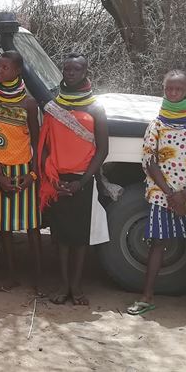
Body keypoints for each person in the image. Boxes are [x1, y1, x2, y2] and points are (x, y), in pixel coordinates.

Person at [126, 70, 186, 321]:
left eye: (179, 89)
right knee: (158, 244)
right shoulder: (157, 124)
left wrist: (185, 193)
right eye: (169, 89)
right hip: (162, 196)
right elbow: (149, 160)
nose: (173, 93)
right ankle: (147, 297)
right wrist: (170, 194)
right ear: (164, 90)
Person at [38, 53, 108, 306]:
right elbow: (44, 145)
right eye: (67, 69)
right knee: (61, 237)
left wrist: (83, 181)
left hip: (83, 180)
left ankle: (77, 287)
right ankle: (63, 284)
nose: (70, 73)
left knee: (80, 239)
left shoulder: (95, 107)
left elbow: (102, 149)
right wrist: (52, 177)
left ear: (85, 72)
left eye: (76, 69)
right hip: (57, 179)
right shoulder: (55, 105)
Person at [0, 51, 43, 294]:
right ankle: (11, 275)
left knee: (32, 228)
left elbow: (38, 144)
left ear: (17, 71)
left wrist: (33, 175)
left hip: (25, 172)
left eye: (5, 67)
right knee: (4, 229)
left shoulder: (28, 103)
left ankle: (38, 278)